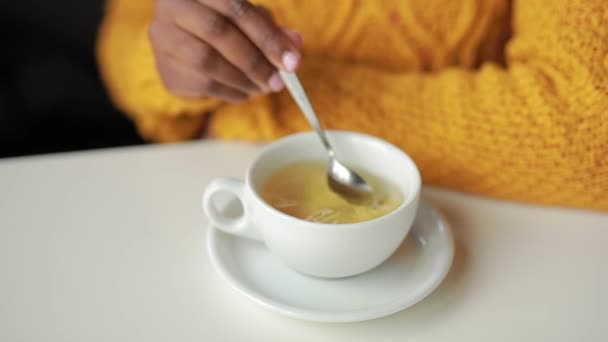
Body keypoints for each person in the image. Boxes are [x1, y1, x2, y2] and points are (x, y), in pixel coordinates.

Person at [97, 0, 608, 211]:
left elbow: (590, 124)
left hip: (479, 224)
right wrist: (163, 57)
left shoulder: (254, 112)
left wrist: (253, 114)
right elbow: (126, 29)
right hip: (217, 206)